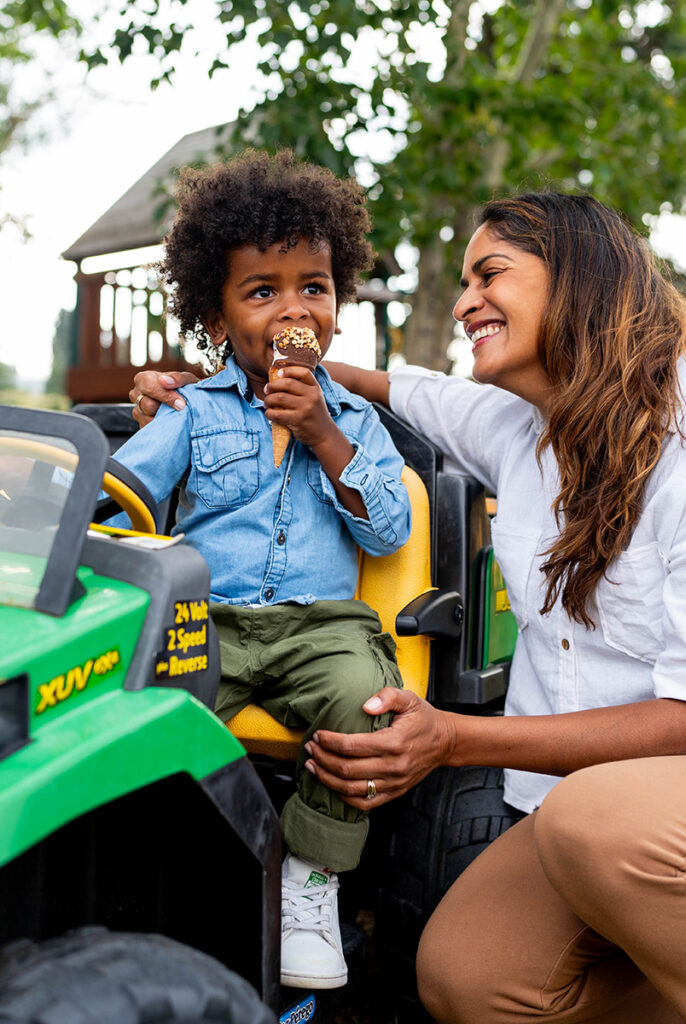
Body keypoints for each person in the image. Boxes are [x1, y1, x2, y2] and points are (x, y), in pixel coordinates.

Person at [130, 190, 686, 1024]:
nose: (462, 303)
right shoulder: (518, 426)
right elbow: (388, 383)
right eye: (461, 283)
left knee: (597, 822)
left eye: (489, 274)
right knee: (471, 977)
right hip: (604, 813)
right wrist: (219, 383)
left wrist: (452, 738)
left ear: (581, 281)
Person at [116, 149, 411, 991]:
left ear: (338, 307)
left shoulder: (360, 423)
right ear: (217, 318)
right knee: (133, 706)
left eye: (312, 287)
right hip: (202, 618)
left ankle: (310, 883)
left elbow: (388, 532)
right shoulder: (189, 409)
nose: (293, 308)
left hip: (322, 626)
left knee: (366, 704)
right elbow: (123, 489)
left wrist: (325, 435)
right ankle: (164, 870)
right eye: (262, 291)